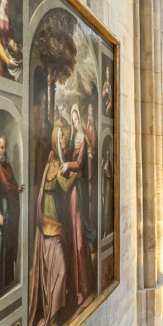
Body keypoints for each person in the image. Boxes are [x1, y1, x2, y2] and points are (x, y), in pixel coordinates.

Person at [27, 125, 74, 326]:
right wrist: (76, 175)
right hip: (49, 225)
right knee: (59, 270)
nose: (64, 138)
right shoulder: (52, 165)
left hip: (53, 224)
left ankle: (55, 314)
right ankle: (52, 314)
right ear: (56, 141)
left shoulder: (55, 163)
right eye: (62, 136)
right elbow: (63, 186)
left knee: (56, 271)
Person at [60, 104, 96, 307]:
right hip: (70, 186)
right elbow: (67, 156)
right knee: (71, 232)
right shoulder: (74, 139)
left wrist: (68, 165)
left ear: (80, 119)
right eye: (72, 121)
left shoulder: (82, 140)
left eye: (76, 120)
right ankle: (74, 287)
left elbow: (80, 162)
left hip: (78, 187)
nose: (75, 123)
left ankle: (82, 285)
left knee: (79, 231)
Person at [0, 136, 25, 302]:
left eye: (5, 147)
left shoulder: (7, 167)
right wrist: (0, 214)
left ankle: (0, 287)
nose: (4, 150)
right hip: (0, 216)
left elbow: (10, 186)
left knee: (5, 251)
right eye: (2, 147)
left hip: (8, 214)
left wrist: (17, 189)